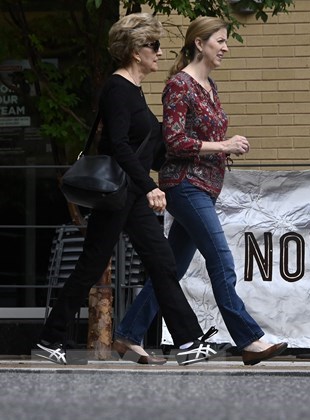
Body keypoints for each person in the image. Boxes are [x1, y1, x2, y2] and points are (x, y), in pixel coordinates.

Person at [36, 13, 221, 366]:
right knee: (91, 267)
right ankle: (50, 338)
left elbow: (150, 147)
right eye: (154, 46)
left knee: (162, 262)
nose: (160, 53)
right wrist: (150, 186)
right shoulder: (118, 89)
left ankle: (189, 341)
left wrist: (206, 148)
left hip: (131, 196)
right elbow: (118, 146)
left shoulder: (133, 91)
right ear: (137, 50)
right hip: (119, 194)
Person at [114, 16, 287, 366]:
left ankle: (128, 335)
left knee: (171, 269)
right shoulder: (180, 85)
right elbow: (175, 142)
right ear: (199, 43)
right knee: (221, 260)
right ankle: (248, 340)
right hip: (184, 184)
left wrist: (222, 149)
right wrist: (224, 145)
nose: (225, 48)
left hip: (205, 189)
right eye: (219, 41)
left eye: (225, 42)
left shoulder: (210, 86)